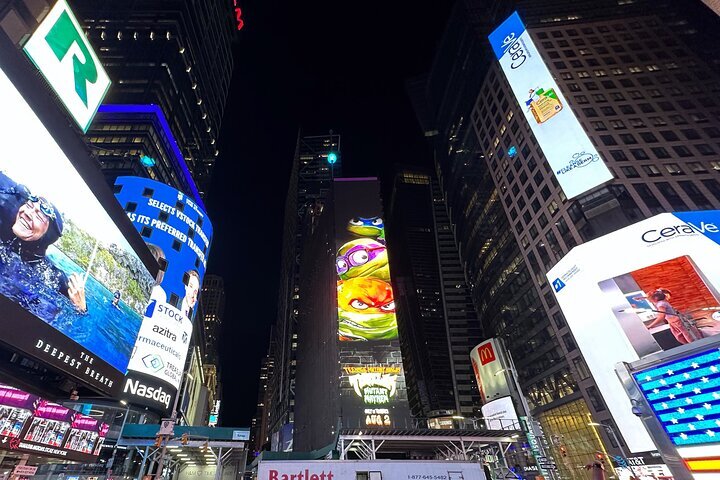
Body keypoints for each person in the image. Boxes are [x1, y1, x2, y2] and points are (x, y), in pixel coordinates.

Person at [0, 172, 86, 312]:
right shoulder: (4, 222)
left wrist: (81, 308)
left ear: (48, 236)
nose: (27, 213)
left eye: (39, 216)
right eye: (28, 206)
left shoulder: (52, 277)